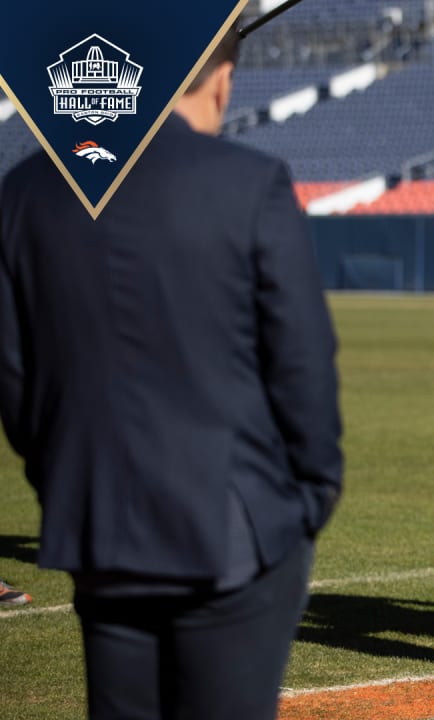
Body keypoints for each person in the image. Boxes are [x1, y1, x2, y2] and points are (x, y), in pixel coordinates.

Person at [0, 26, 342, 720]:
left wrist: (67, 478)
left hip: (99, 528)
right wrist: (310, 496)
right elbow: (302, 361)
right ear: (219, 77)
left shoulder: (26, 189)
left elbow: (13, 374)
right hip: (233, 529)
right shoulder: (248, 182)